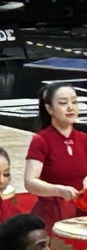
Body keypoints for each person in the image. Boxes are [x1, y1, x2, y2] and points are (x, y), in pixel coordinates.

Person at [24, 83, 87, 230]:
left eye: (74, 102)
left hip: (81, 213)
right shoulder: (41, 140)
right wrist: (58, 190)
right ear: (49, 109)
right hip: (51, 213)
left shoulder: (84, 139)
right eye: (63, 103)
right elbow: (30, 182)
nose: (70, 107)